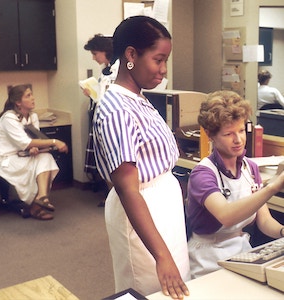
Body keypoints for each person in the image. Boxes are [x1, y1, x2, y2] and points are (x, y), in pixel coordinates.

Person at [92, 16, 190, 298]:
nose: (163, 70)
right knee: (151, 289)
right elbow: (128, 189)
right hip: (142, 214)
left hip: (162, 210)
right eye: (158, 60)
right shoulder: (117, 109)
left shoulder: (137, 97)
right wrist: (161, 255)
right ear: (131, 54)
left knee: (174, 288)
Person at [186, 90, 284, 279]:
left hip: (241, 253)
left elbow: (264, 221)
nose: (238, 139)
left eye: (241, 130)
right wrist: (273, 186)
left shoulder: (250, 167)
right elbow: (226, 216)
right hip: (207, 258)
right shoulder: (203, 174)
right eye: (229, 133)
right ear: (210, 135)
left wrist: (281, 231)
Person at [0, 84, 68, 220]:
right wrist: (54, 141)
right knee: (39, 164)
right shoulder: (9, 118)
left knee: (46, 158)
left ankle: (41, 198)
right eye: (28, 96)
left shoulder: (32, 116)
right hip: (5, 159)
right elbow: (25, 143)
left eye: (32, 95)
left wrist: (34, 148)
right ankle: (36, 205)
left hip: (22, 155)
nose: (33, 98)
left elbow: (32, 140)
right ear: (18, 102)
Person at [83, 34, 118, 206]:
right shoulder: (106, 70)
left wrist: (96, 96)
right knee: (105, 162)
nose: (93, 57)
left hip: (112, 121)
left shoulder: (118, 70)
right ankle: (112, 197)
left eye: (95, 53)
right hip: (101, 119)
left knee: (114, 163)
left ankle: (116, 198)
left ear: (105, 51)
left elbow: (111, 99)